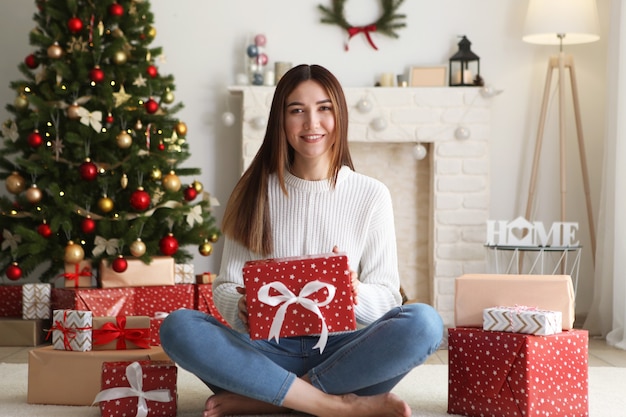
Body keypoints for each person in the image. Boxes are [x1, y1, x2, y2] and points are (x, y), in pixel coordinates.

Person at [160, 64, 444, 417]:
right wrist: (240, 307)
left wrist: (355, 292)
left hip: (344, 353)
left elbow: (388, 295)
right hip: (266, 351)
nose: (312, 123)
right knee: (179, 326)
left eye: (324, 109)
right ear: (281, 120)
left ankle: (265, 399)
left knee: (425, 323)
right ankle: (335, 406)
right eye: (297, 111)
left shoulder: (371, 195)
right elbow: (226, 285)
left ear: (339, 116)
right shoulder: (252, 192)